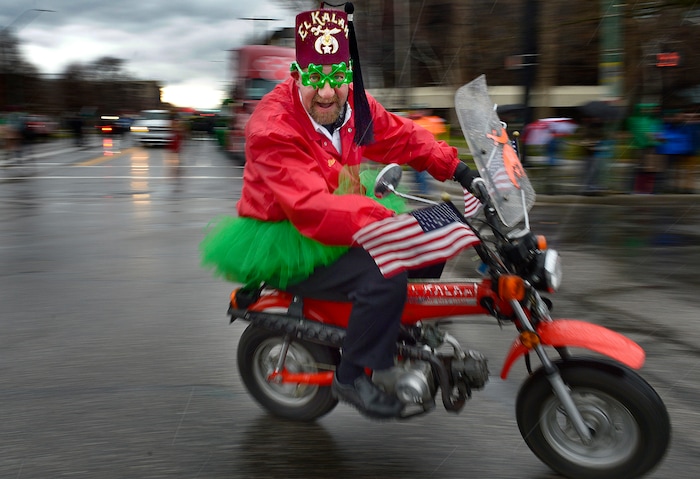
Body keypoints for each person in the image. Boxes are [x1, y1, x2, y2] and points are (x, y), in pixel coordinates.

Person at [200, 4, 478, 419]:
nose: (327, 92)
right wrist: (386, 221)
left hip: (344, 210)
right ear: (297, 75)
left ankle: (393, 328)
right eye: (315, 79)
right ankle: (352, 376)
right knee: (383, 275)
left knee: (434, 238)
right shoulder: (274, 127)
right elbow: (312, 210)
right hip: (289, 233)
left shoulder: (355, 108)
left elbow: (405, 138)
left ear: (349, 75)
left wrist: (458, 169)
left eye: (337, 78)